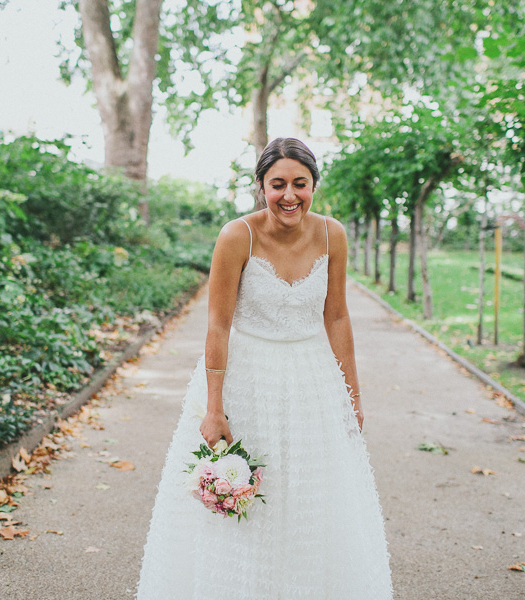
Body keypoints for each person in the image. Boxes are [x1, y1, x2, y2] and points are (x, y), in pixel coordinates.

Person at [136, 138, 393, 599]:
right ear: (261, 186)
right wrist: (213, 408)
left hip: (312, 380)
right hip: (247, 380)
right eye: (278, 184)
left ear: (314, 186)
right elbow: (218, 324)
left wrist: (352, 398)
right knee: (247, 499)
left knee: (311, 498)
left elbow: (336, 317)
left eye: (301, 184)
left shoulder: (333, 234)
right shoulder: (238, 236)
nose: (289, 195)